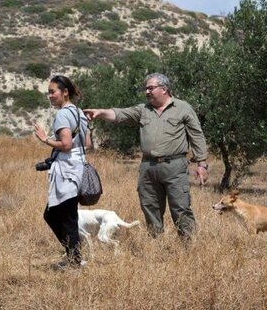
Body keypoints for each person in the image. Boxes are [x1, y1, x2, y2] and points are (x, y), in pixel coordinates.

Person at [83, 73, 208, 239]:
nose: (147, 91)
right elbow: (120, 114)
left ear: (164, 89)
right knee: (150, 206)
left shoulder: (183, 108)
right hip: (148, 167)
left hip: (175, 166)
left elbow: (197, 136)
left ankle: (188, 244)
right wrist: (100, 113)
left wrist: (202, 164)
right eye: (146, 88)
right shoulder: (143, 110)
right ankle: (156, 244)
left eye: (151, 88)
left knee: (181, 207)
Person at [33, 75, 91, 268]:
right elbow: (88, 143)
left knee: (57, 215)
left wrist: (45, 139)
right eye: (48, 92)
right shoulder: (79, 112)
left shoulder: (63, 114)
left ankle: (74, 257)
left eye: (52, 92)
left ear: (65, 92)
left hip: (66, 170)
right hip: (78, 168)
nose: (49, 96)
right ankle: (73, 255)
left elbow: (65, 144)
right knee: (67, 215)